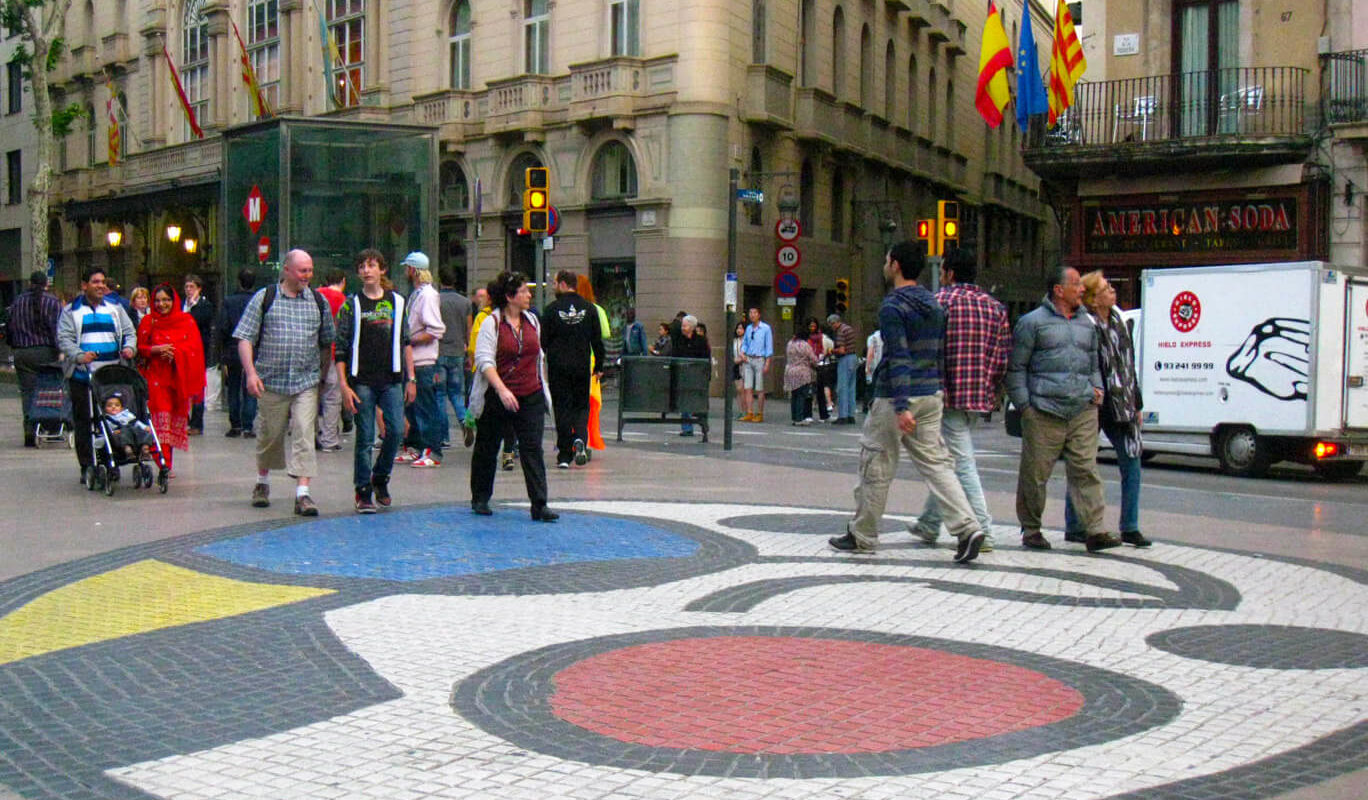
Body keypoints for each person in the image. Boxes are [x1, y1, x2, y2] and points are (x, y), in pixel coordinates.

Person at [828, 241, 985, 564]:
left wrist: (901, 406)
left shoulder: (892, 307)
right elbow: (938, 352)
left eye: (887, 260)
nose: (885, 265)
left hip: (896, 396)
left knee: (876, 463)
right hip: (931, 393)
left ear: (896, 265)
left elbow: (899, 356)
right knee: (937, 464)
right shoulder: (934, 304)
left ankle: (863, 534)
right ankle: (968, 527)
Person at [1006, 266, 1122, 553]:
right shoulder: (1031, 323)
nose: (1082, 289)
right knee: (1035, 474)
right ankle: (1032, 529)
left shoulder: (1088, 324)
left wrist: (1097, 389)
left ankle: (1094, 529)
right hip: (1043, 411)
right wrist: (1025, 406)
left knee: (1086, 469)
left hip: (1082, 410)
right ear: (1058, 290)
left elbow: (1094, 362)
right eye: (1075, 284)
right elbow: (1016, 367)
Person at [910, 247, 1012, 552]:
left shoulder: (939, 302)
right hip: (976, 394)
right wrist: (988, 385)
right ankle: (929, 523)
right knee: (950, 461)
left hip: (944, 392)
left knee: (961, 463)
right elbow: (1001, 356)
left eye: (942, 270)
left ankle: (982, 529)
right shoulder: (994, 307)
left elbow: (926, 348)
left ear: (950, 273)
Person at [233, 248, 336, 516]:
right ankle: (262, 482)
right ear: (287, 270)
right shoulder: (264, 298)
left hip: (305, 381)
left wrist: (322, 377)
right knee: (270, 434)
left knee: (304, 431)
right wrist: (251, 373)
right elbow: (245, 337)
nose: (308, 276)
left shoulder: (318, 300)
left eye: (310, 270)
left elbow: (327, 341)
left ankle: (303, 494)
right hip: (271, 381)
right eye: (303, 270)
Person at [1064, 271, 1152, 548]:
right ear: (1093, 298)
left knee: (1132, 460)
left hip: (1121, 402)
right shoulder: (1086, 325)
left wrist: (1136, 401)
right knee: (1083, 463)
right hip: (1094, 403)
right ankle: (1076, 525)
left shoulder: (1119, 320)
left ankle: (1130, 525)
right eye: (1106, 288)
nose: (1112, 291)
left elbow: (1129, 364)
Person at [468, 271, 557, 522]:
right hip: (498, 394)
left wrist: (542, 387)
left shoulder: (532, 321)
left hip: (530, 393)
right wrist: (501, 389)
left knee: (532, 449)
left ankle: (540, 504)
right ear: (509, 297)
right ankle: (480, 497)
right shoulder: (491, 323)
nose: (529, 295)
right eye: (523, 291)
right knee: (488, 445)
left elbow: (538, 356)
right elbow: (484, 361)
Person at [335, 248, 416, 513]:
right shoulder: (351, 304)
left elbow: (406, 342)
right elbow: (341, 347)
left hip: (391, 378)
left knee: (395, 431)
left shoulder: (398, 302)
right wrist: (344, 385)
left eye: (372, 266)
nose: (367, 271)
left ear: (382, 270)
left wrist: (411, 377)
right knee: (365, 437)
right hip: (362, 380)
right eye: (362, 266)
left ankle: (380, 477)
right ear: (358, 273)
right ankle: (362, 491)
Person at [57, 267, 138, 482]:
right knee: (84, 422)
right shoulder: (71, 311)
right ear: (84, 286)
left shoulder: (115, 308)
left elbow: (129, 332)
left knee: (113, 418)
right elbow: (64, 338)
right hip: (83, 376)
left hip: (111, 376)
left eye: (103, 281)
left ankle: (112, 458)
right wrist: (79, 355)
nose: (101, 285)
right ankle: (87, 465)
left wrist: (130, 347)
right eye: (95, 282)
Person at [137, 283, 207, 474]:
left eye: (166, 300)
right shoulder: (148, 322)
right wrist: (155, 350)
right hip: (155, 377)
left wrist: (176, 353)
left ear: (174, 300)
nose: (161, 304)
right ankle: (164, 463)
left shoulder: (186, 321)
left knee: (172, 418)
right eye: (158, 300)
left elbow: (194, 349)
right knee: (161, 417)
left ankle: (166, 462)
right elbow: (140, 349)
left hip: (177, 379)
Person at [541, 270, 603, 468]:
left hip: (558, 366)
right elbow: (597, 341)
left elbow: (543, 342)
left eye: (554, 283)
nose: (553, 287)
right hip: (581, 365)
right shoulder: (589, 309)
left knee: (562, 407)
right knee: (581, 406)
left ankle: (565, 455)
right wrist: (599, 366)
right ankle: (580, 439)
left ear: (562, 284)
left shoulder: (551, 310)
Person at [399, 252, 446, 468]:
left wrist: (410, 341)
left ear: (412, 270)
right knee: (412, 405)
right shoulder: (417, 294)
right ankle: (416, 446)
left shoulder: (427, 295)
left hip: (424, 360)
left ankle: (432, 450)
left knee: (425, 406)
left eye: (407, 268)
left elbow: (435, 329)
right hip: (413, 361)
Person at [7, 270, 62, 448]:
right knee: (50, 389)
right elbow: (57, 330)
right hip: (45, 351)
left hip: (22, 352)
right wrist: (61, 351)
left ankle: (29, 429)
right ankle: (50, 425)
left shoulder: (18, 302)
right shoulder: (52, 302)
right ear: (46, 284)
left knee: (28, 392)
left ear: (30, 283)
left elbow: (10, 326)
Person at [216, 269, 259, 438]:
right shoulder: (257, 301)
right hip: (253, 349)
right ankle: (248, 425)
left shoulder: (229, 301)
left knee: (233, 387)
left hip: (233, 349)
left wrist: (222, 350)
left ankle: (235, 424)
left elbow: (223, 327)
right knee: (251, 387)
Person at [436, 266, 473, 448]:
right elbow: (469, 329)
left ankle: (443, 437)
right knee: (457, 394)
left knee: (440, 395)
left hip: (439, 351)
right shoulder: (465, 302)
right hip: (458, 351)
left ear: (439, 280)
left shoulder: (435, 300)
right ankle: (464, 421)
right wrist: (468, 351)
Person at [576, 273, 612, 455]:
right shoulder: (597, 309)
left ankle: (576, 437)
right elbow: (604, 335)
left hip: (573, 359)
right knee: (590, 403)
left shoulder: (572, 309)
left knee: (573, 403)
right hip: (591, 361)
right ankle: (588, 438)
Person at [314, 268, 348, 452]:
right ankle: (329, 439)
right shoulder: (343, 301)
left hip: (313, 353)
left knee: (311, 396)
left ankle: (310, 435)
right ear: (343, 281)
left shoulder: (316, 295)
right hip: (333, 354)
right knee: (332, 398)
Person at [182, 274, 213, 435]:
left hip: (198, 350)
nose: (188, 290)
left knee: (197, 389)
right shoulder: (181, 305)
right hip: (183, 350)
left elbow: (194, 321)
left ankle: (196, 423)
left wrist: (191, 309)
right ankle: (184, 419)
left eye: (192, 287)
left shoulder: (204, 305)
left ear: (199, 289)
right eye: (186, 287)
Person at [674, 314, 710, 437]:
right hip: (684, 374)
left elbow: (706, 358)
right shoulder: (679, 340)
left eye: (685, 326)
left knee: (698, 402)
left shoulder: (701, 341)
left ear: (692, 327)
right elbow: (676, 355)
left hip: (697, 375)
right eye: (682, 326)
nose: (683, 328)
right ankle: (687, 427)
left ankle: (703, 424)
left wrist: (706, 375)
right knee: (684, 400)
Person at [738, 307, 773, 422]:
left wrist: (767, 362)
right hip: (749, 358)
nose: (752, 315)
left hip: (759, 359)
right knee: (747, 387)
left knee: (759, 388)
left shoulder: (766, 329)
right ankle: (749, 411)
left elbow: (768, 346)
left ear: (759, 314)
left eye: (754, 313)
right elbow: (745, 343)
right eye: (750, 313)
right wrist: (742, 352)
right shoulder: (748, 328)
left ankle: (760, 413)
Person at [102, 392, 154, 460]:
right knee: (124, 434)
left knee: (145, 433)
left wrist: (144, 427)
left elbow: (136, 422)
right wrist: (112, 432)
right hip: (120, 432)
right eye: (109, 406)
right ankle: (128, 451)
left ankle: (145, 449)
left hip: (134, 431)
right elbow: (105, 429)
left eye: (117, 405)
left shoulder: (126, 414)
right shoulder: (107, 419)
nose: (113, 407)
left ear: (122, 408)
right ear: (104, 409)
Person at [827, 312, 859, 425]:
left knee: (842, 388)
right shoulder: (849, 328)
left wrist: (831, 351)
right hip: (854, 358)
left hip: (845, 359)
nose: (832, 327)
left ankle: (843, 415)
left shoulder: (840, 331)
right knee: (851, 388)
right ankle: (851, 415)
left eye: (831, 325)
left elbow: (842, 350)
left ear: (835, 323)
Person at [784, 323, 818, 426]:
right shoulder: (805, 345)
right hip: (802, 372)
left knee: (794, 395)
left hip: (790, 371)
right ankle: (800, 418)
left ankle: (794, 417)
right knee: (801, 395)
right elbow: (813, 359)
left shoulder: (790, 344)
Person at [863, 328, 882, 413]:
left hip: (875, 366)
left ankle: (868, 406)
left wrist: (867, 367)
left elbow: (870, 353)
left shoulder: (873, 337)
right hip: (885, 365)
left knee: (871, 387)